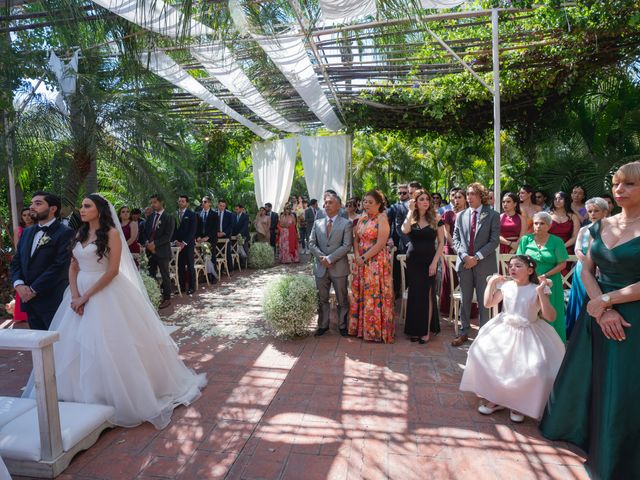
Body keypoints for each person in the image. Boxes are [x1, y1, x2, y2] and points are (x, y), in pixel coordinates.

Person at [23, 194, 206, 429]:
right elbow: (73, 265)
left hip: (105, 291)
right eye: (81, 205)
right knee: (74, 343)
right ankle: (79, 395)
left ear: (99, 210)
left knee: (109, 342)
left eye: (87, 206)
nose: (82, 209)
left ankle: (116, 396)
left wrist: (87, 297)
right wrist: (76, 295)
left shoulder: (111, 234)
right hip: (78, 291)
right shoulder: (79, 234)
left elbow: (112, 272)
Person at [540, 162, 640, 480]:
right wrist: (600, 307)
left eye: (629, 185)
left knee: (623, 388)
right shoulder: (600, 225)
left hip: (632, 319)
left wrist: (608, 302)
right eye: (616, 184)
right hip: (597, 315)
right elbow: (586, 270)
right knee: (595, 380)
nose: (619, 190)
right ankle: (592, 440)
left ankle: (615, 456)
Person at [460, 255, 565, 423]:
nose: (513, 269)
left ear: (530, 271)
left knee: (533, 367)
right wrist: (491, 284)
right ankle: (496, 398)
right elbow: (488, 304)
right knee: (487, 357)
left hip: (529, 331)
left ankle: (519, 403)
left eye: (518, 266)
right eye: (511, 266)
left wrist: (541, 294)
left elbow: (551, 317)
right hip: (504, 329)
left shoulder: (537, 288)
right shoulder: (507, 286)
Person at [10, 191, 74, 330]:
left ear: (53, 209)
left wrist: (33, 290)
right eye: (32, 203)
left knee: (57, 346)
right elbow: (16, 261)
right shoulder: (26, 232)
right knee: (37, 346)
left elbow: (60, 266)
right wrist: (19, 285)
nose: (32, 206)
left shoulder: (65, 232)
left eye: (38, 203)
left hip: (51, 300)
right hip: (28, 301)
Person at [451, 183, 500, 346]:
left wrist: (476, 258)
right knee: (465, 299)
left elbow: (494, 241)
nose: (469, 197)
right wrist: (465, 256)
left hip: (484, 264)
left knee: (483, 300)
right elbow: (456, 239)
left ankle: (484, 334)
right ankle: (464, 332)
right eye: (468, 194)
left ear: (481, 196)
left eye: (473, 194)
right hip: (464, 264)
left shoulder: (492, 215)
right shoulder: (461, 215)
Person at [348, 190, 395, 343]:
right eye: (364, 201)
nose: (365, 204)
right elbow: (355, 239)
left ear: (379, 205)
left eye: (370, 202)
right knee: (361, 293)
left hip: (376, 263)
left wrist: (363, 257)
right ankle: (361, 329)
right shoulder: (362, 218)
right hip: (361, 261)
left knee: (374, 294)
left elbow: (381, 243)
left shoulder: (382, 218)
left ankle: (374, 330)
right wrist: (357, 256)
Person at [516, 211, 568, 341]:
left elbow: (562, 264)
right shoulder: (525, 239)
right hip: (529, 281)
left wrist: (545, 275)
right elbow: (518, 261)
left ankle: (553, 344)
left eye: (542, 224)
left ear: (549, 226)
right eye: (536, 223)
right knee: (530, 312)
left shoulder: (557, 241)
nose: (538, 226)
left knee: (549, 313)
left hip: (551, 282)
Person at [402, 190, 445, 343]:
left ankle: (425, 330)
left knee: (428, 294)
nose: (426, 202)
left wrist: (434, 263)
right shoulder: (411, 218)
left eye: (427, 199)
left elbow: (441, 243)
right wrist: (410, 210)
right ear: (415, 201)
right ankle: (414, 330)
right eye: (421, 199)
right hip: (413, 260)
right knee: (414, 294)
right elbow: (404, 230)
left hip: (429, 261)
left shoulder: (437, 218)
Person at [308, 192, 353, 337]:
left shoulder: (346, 224)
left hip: (338, 267)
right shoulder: (317, 223)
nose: (327, 205)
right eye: (325, 202)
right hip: (321, 267)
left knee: (342, 298)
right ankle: (323, 325)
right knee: (322, 299)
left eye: (330, 202)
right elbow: (311, 243)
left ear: (339, 206)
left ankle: (342, 325)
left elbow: (347, 246)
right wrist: (322, 258)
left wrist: (330, 258)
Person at [565, 197, 609, 338]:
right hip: (583, 268)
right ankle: (578, 332)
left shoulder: (610, 229)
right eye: (590, 211)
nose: (593, 214)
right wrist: (587, 263)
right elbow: (577, 249)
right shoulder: (584, 229)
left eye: (596, 211)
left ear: (604, 212)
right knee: (582, 299)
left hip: (603, 268)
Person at [440, 189, 468, 317]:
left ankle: (466, 310)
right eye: (455, 197)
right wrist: (455, 246)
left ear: (465, 198)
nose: (456, 199)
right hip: (451, 248)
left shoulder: (470, 213)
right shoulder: (448, 213)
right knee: (450, 278)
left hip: (467, 249)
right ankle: (448, 309)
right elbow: (446, 232)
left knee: (465, 279)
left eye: (459, 197)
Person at [145, 194, 174, 309]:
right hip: (150, 252)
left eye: (155, 202)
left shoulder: (168, 217)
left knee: (164, 274)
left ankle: (167, 298)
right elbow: (146, 231)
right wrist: (147, 243)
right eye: (151, 202)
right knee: (151, 274)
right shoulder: (151, 217)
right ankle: (154, 296)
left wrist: (155, 244)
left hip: (162, 251)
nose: (153, 205)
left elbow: (168, 236)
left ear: (161, 202)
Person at [387, 184, 411, 298]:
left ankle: (408, 290)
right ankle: (397, 291)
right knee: (396, 268)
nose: (402, 195)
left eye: (404, 193)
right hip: (396, 241)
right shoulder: (394, 207)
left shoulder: (413, 206)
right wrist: (389, 238)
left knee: (408, 268)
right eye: (399, 193)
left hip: (411, 240)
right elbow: (388, 223)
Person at [11, 207, 34, 323]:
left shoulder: (38, 227)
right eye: (24, 215)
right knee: (21, 284)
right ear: (21, 217)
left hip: (35, 260)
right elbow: (17, 247)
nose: (27, 217)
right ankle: (21, 315)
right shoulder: (18, 230)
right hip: (23, 259)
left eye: (29, 215)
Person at [173, 195, 197, 294]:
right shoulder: (174, 214)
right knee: (180, 266)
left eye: (183, 201)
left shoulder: (191, 214)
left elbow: (193, 230)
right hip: (178, 245)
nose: (180, 203)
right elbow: (172, 229)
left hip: (188, 244)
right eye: (179, 201)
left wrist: (184, 242)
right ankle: (182, 287)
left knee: (190, 266)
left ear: (187, 203)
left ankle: (192, 287)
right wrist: (176, 241)